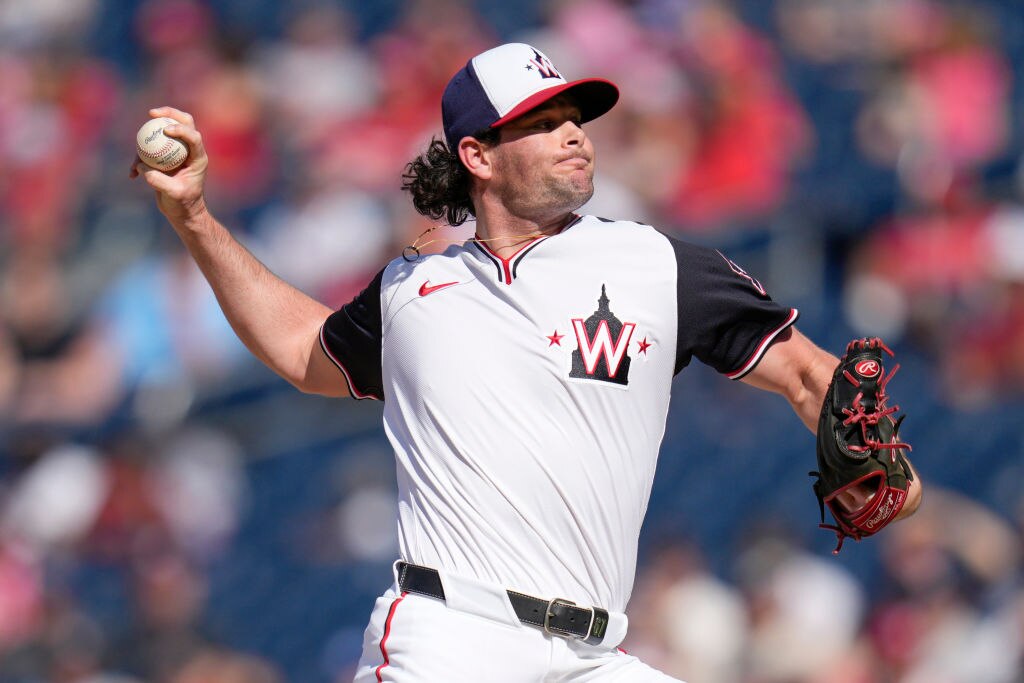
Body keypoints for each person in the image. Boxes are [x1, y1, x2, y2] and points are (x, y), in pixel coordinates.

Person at [132, 42, 922, 682]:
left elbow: (811, 373)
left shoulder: (656, 263)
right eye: (543, 121)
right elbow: (307, 352)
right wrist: (196, 217)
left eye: (576, 116)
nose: (576, 133)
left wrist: (887, 458)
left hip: (592, 654)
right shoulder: (416, 287)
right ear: (477, 153)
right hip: (450, 638)